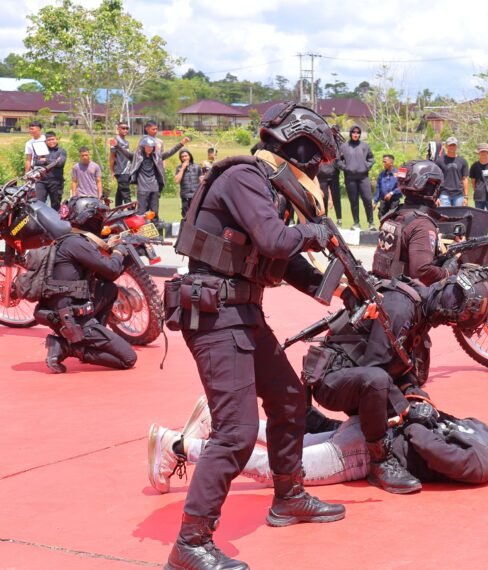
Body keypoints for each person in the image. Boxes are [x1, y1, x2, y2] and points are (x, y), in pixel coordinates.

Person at [165, 102, 346, 570]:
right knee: (236, 432)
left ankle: (288, 496)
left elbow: (281, 261)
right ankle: (190, 543)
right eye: (316, 159)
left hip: (241, 311)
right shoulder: (244, 177)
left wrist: (343, 290)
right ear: (300, 148)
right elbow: (275, 241)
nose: (316, 171)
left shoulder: (266, 187)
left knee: (289, 400)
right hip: (216, 315)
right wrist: (316, 231)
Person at [302, 266, 488, 493]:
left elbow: (400, 366)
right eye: (462, 313)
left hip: (353, 377)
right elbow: (375, 369)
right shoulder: (402, 306)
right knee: (378, 381)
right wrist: (406, 409)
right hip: (331, 381)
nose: (457, 319)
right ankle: (380, 462)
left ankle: (319, 425)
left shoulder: (420, 309)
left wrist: (417, 398)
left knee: (409, 398)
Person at [148, 399, 488, 493]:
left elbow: (436, 420)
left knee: (291, 442)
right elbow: (438, 453)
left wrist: (415, 415)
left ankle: (215, 419)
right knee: (278, 468)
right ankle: (179, 447)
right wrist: (417, 427)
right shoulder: (487, 464)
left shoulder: (485, 430)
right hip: (368, 453)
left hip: (371, 428)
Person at [35, 196, 137, 374]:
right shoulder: (76, 243)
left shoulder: (70, 240)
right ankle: (67, 347)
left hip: (63, 311)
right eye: (98, 217)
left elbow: (107, 276)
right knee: (128, 358)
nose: (101, 221)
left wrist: (124, 254)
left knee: (108, 289)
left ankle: (87, 338)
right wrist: (119, 252)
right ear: (88, 219)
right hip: (71, 318)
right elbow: (112, 269)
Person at [372, 160, 453, 285]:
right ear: (426, 187)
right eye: (434, 184)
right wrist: (450, 271)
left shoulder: (394, 215)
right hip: (404, 292)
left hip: (385, 285)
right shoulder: (422, 224)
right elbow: (422, 272)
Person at [337, 125, 375, 230]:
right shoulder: (344, 147)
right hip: (350, 178)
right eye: (354, 132)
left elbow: (371, 158)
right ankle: (356, 223)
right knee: (353, 201)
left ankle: (371, 223)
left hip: (363, 177)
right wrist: (345, 168)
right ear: (351, 133)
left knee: (367, 199)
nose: (356, 134)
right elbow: (338, 160)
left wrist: (367, 166)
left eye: (358, 133)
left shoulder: (365, 146)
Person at [32, 131, 67, 210]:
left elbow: (60, 163)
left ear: (56, 139)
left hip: (56, 182)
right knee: (39, 204)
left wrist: (45, 160)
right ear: (45, 141)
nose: (51, 141)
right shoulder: (41, 150)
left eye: (53, 139)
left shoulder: (61, 151)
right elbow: (36, 162)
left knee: (55, 206)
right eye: (49, 140)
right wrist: (54, 161)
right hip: (41, 181)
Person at [433, 136, 469, 207]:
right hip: (444, 193)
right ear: (446, 146)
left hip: (459, 194)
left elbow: (465, 179)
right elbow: (436, 179)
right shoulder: (439, 161)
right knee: (444, 214)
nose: (452, 147)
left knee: (459, 214)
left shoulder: (463, 161)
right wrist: (436, 196)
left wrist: (466, 197)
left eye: (454, 145)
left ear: (457, 146)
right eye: (450, 145)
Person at [317, 129, 342, 225]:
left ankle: (339, 218)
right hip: (322, 174)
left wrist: (336, 136)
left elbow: (340, 153)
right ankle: (324, 218)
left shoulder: (335, 143)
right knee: (324, 197)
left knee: (336, 197)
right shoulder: (319, 141)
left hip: (333, 173)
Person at [108, 122, 135, 206]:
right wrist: (112, 170)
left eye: (127, 128)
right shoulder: (115, 141)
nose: (125, 130)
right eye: (123, 128)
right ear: (118, 129)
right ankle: (131, 209)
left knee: (120, 191)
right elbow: (112, 156)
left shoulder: (126, 142)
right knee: (125, 191)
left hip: (127, 170)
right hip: (120, 170)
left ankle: (117, 209)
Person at [175, 150, 205, 220]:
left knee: (196, 214)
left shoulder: (197, 167)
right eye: (182, 157)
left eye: (186, 156)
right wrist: (183, 168)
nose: (184, 158)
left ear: (190, 156)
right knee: (185, 216)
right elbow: (177, 180)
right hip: (185, 196)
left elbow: (201, 180)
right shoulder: (179, 168)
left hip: (196, 195)